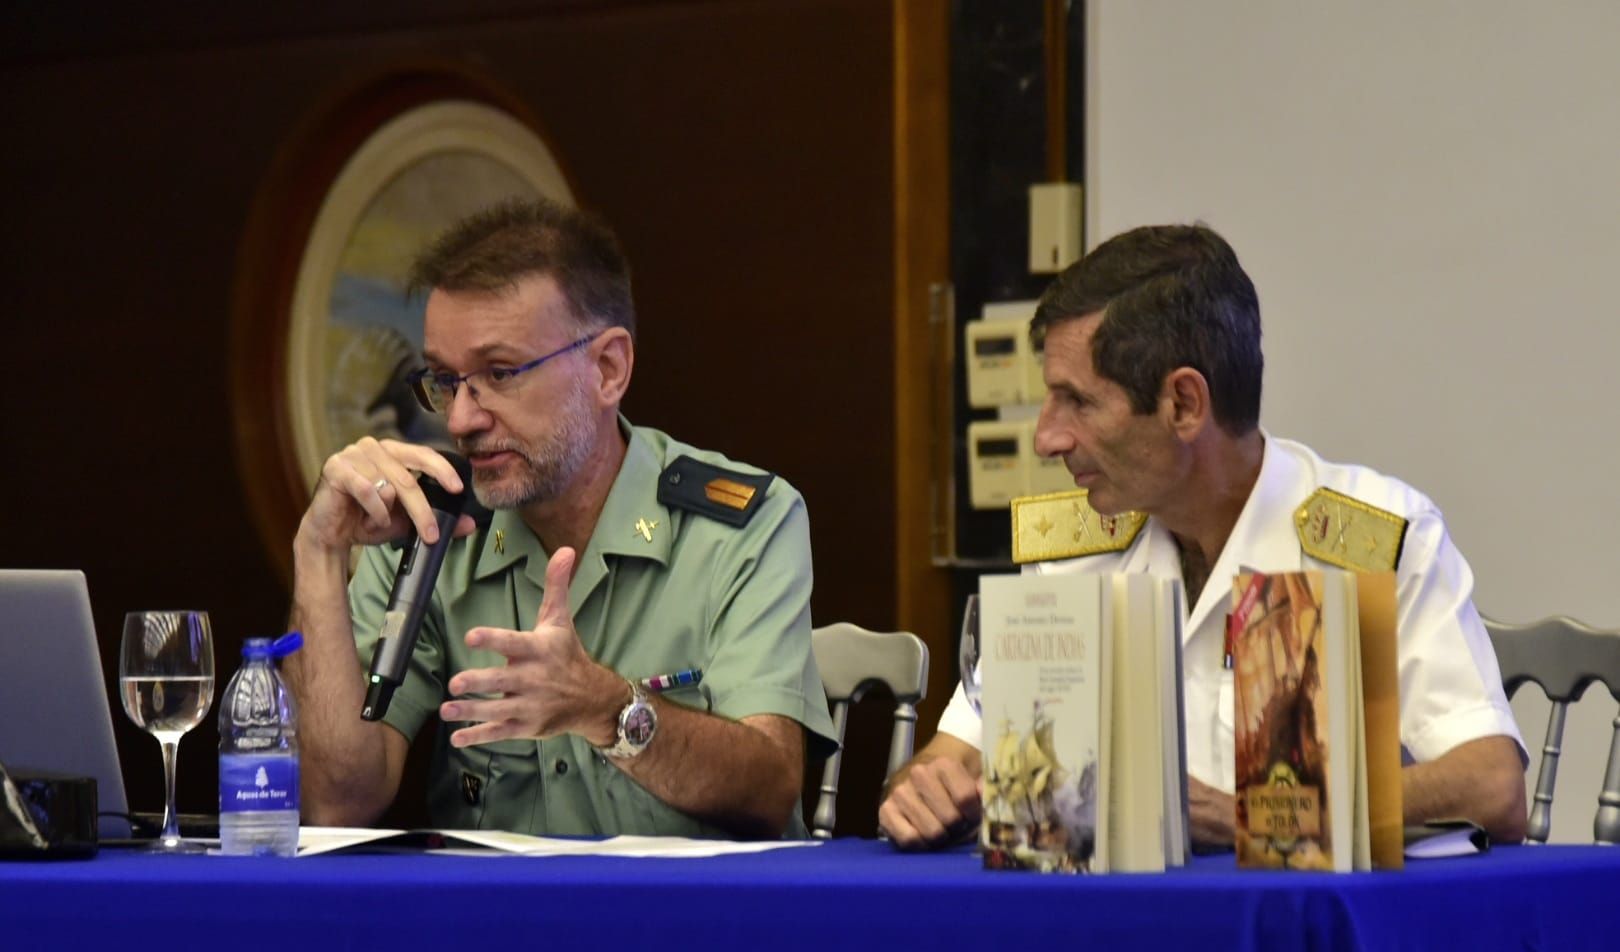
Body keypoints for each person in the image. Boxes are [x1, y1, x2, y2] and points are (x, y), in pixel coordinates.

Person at [880, 224, 1527, 850]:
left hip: (1307, 938)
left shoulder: (1373, 539)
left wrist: (1260, 815)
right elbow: (950, 761)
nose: (1047, 438)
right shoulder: (1073, 557)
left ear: (1185, 404)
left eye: (1076, 401)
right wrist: (920, 793)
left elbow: (1492, 787)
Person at [285, 197, 835, 840]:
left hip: (690, 929)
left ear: (608, 369)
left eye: (499, 372)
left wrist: (607, 709)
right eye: (444, 379)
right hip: (496, 928)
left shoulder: (742, 525)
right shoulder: (430, 525)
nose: (460, 419)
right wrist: (318, 554)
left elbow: (770, 787)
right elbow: (336, 804)